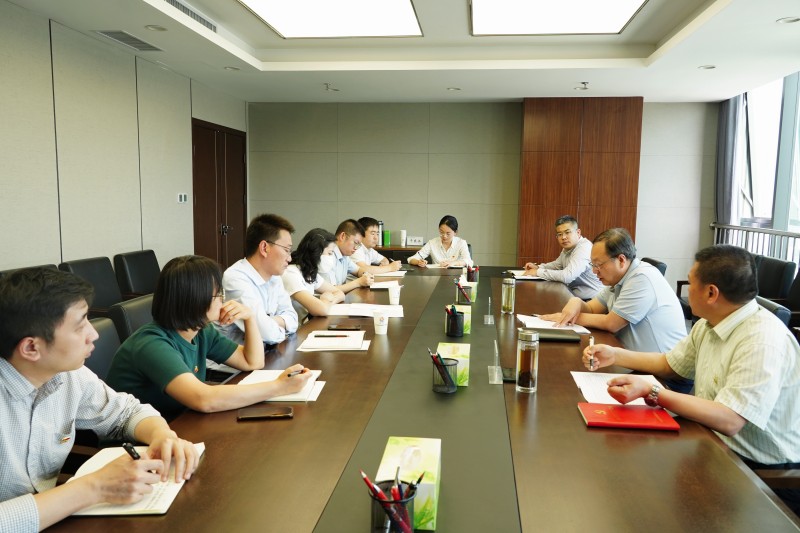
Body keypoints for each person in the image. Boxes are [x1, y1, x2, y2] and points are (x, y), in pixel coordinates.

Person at [583, 244, 800, 515]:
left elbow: (730, 420)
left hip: (761, 472)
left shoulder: (762, 340)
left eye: (691, 282)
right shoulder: (710, 323)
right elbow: (670, 365)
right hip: (712, 443)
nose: (685, 290)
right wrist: (615, 355)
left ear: (711, 293)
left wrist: (652, 391)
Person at [0, 268, 199, 532]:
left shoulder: (69, 375)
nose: (93, 334)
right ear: (31, 348)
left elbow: (127, 412)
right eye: (80, 325)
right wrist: (94, 488)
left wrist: (162, 435)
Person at [106, 256, 312, 420]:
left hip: (181, 423)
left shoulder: (201, 331)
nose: (223, 299)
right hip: (137, 444)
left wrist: (250, 318)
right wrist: (279, 387)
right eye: (218, 294)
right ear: (194, 299)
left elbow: (252, 362)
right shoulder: (152, 344)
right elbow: (203, 400)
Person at [541, 227, 685, 354]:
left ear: (621, 260)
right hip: (630, 358)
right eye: (593, 264)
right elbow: (592, 308)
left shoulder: (642, 277)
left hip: (662, 370)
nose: (594, 271)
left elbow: (611, 323)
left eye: (598, 265)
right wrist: (576, 302)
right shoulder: (618, 278)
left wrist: (567, 317)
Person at [218, 214, 298, 346]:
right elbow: (266, 333)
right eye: (286, 250)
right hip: (237, 358)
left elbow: (293, 319)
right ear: (264, 248)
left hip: (268, 352)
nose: (289, 258)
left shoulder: (274, 277)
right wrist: (280, 327)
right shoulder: (235, 278)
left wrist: (269, 322)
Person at [522, 215, 602, 300]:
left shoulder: (584, 248)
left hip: (592, 301)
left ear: (578, 233)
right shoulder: (569, 247)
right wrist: (538, 267)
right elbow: (558, 265)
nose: (563, 237)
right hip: (575, 297)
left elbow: (567, 276)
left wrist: (537, 272)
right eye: (559, 234)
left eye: (567, 232)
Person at [281, 228, 346, 323]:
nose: (331, 258)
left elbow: (340, 293)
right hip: (295, 329)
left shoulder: (310, 272)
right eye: (329, 253)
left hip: (306, 324)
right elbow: (322, 310)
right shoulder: (291, 273)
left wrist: (328, 301)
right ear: (316, 252)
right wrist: (325, 300)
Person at [323, 218, 374, 293]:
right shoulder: (327, 255)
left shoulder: (344, 255)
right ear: (343, 236)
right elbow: (331, 290)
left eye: (359, 245)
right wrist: (358, 282)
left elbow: (358, 271)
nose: (356, 248)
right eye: (356, 243)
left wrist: (365, 274)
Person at [408, 215, 473, 268]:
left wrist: (453, 263)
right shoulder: (432, 243)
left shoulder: (461, 243)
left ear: (455, 232)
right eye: (441, 232)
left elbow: (469, 262)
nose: (444, 236)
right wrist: (418, 262)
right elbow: (411, 259)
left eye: (448, 233)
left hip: (456, 276)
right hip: (436, 276)